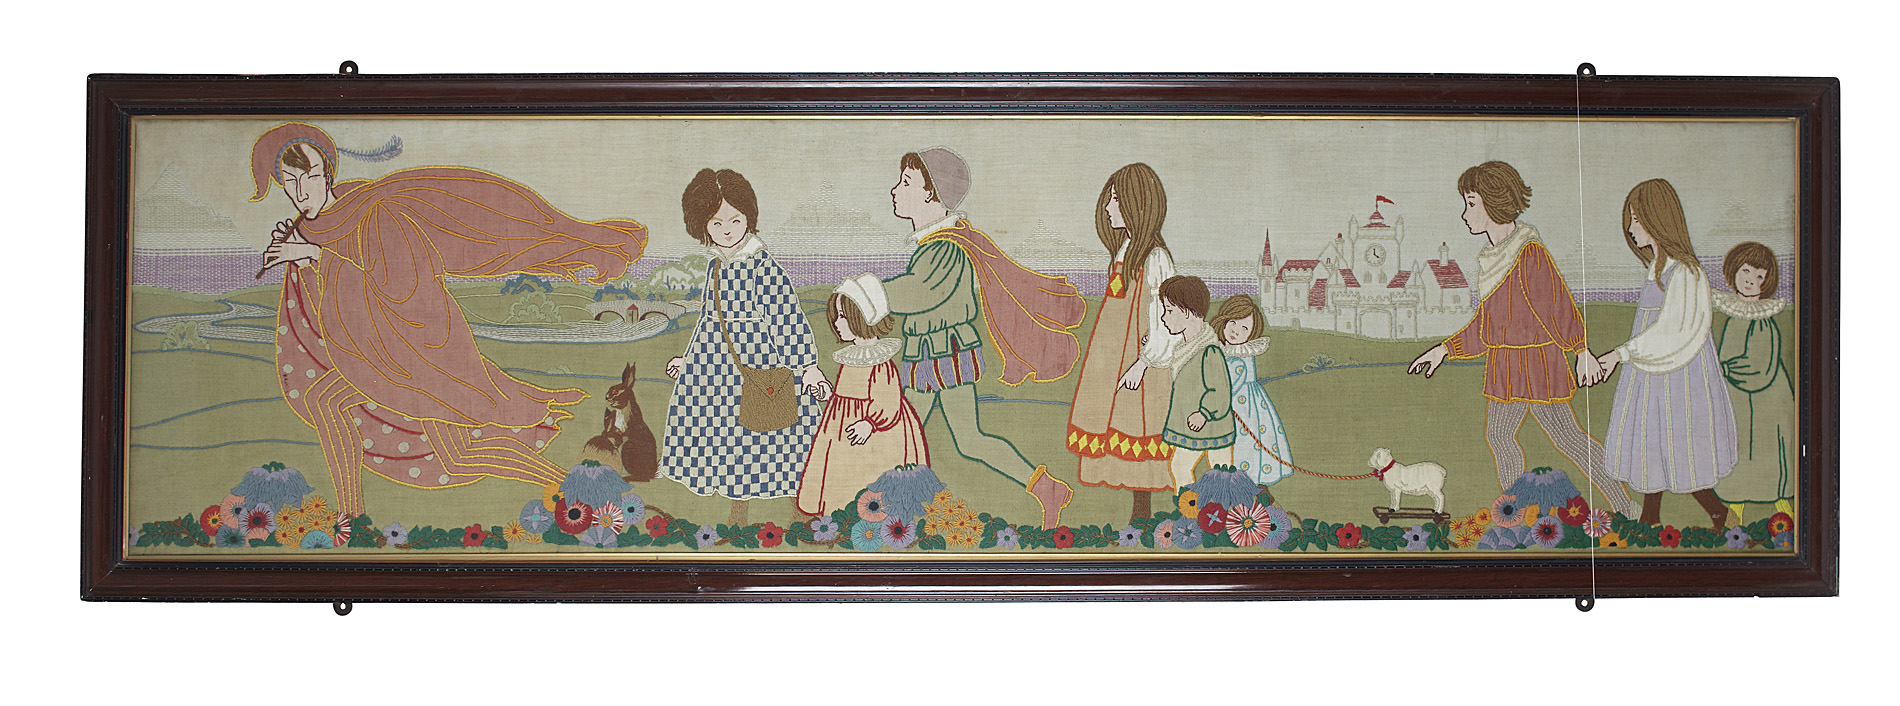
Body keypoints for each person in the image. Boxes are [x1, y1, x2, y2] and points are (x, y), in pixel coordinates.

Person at [249, 122, 647, 518]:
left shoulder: (373, 212)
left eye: (311, 176)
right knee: (328, 401)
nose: (301, 192)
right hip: (381, 353)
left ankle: (580, 489)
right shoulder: (316, 227)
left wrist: (314, 256)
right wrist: (305, 257)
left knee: (458, 456)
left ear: (328, 173)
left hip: (423, 351)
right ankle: (352, 516)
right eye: (290, 181)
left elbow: (400, 286)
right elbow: (334, 301)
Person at [1408, 161, 1634, 518]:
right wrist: (1444, 350)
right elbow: (1486, 327)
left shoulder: (1528, 252)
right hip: (1505, 365)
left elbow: (1557, 304)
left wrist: (1581, 349)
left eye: (1471, 203)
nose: (1465, 214)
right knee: (1500, 437)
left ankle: (1625, 506)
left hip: (1537, 364)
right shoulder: (1492, 259)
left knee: (1569, 440)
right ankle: (1516, 514)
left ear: (1493, 202)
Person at [879, 147, 1086, 528]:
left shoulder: (945, 247)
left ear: (931, 193)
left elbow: (921, 292)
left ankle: (895, 510)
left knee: (916, 435)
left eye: (906, 182)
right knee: (932, 436)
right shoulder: (937, 243)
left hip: (944, 356)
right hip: (933, 355)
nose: (895, 190)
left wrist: (868, 293)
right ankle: (1046, 489)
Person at [659, 168, 828, 525]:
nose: (727, 230)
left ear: (749, 218)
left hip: (759, 366)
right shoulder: (715, 267)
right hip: (714, 369)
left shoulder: (762, 267)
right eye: (716, 222)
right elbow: (709, 319)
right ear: (702, 225)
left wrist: (808, 367)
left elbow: (787, 319)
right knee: (725, 443)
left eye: (735, 220)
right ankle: (736, 523)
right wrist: (689, 360)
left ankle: (800, 520)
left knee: (771, 443)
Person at [1584, 179, 1739, 528]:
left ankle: (1718, 513)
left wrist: (1620, 354)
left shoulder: (1686, 273)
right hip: (1650, 370)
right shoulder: (1656, 268)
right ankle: (1651, 517)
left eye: (1638, 219)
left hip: (1680, 374)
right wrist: (1628, 355)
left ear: (1659, 219)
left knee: (1680, 445)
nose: (1631, 227)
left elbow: (1672, 332)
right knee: (1650, 441)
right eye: (1631, 219)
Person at [1066, 163, 1182, 520]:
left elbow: (1166, 319)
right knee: (1116, 426)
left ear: (1137, 203)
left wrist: (1144, 363)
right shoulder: (1124, 251)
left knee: (1141, 428)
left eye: (1116, 200)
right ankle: (1138, 516)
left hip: (1141, 363)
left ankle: (1144, 515)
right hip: (1112, 357)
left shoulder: (1156, 258)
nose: (1107, 207)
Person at [795, 275, 930, 517]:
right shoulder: (851, 358)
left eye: (843, 316)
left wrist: (870, 423)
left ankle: (875, 518)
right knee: (843, 473)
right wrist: (826, 392)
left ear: (863, 317)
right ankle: (843, 518)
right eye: (836, 316)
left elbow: (888, 401)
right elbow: (844, 396)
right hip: (843, 428)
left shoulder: (880, 362)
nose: (837, 323)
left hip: (875, 432)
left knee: (870, 473)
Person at [1710, 242, 1795, 521]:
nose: (1751, 280)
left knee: (1762, 453)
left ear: (1767, 282)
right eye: (1746, 271)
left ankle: (1784, 514)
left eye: (1760, 276)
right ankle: (1734, 515)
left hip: (1764, 402)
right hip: (1737, 399)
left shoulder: (1761, 320)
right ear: (1734, 271)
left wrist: (1724, 369)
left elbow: (1759, 367)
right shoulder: (1735, 314)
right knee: (1737, 450)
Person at [1155, 276, 1236, 492]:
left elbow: (1220, 391)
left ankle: (1214, 510)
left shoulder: (1209, 350)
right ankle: (1191, 509)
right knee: (1182, 467)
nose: (1164, 317)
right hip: (1194, 428)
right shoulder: (1185, 349)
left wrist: (1204, 413)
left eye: (1169, 311)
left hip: (1212, 427)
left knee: (1220, 474)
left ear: (1188, 312)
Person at [1211, 294, 1294, 490]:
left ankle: (1247, 489)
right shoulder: (1220, 348)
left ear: (1251, 334)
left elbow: (1231, 384)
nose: (1236, 331)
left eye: (1244, 328)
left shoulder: (1241, 355)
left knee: (1245, 448)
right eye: (1233, 323)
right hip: (1228, 403)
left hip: (1243, 408)